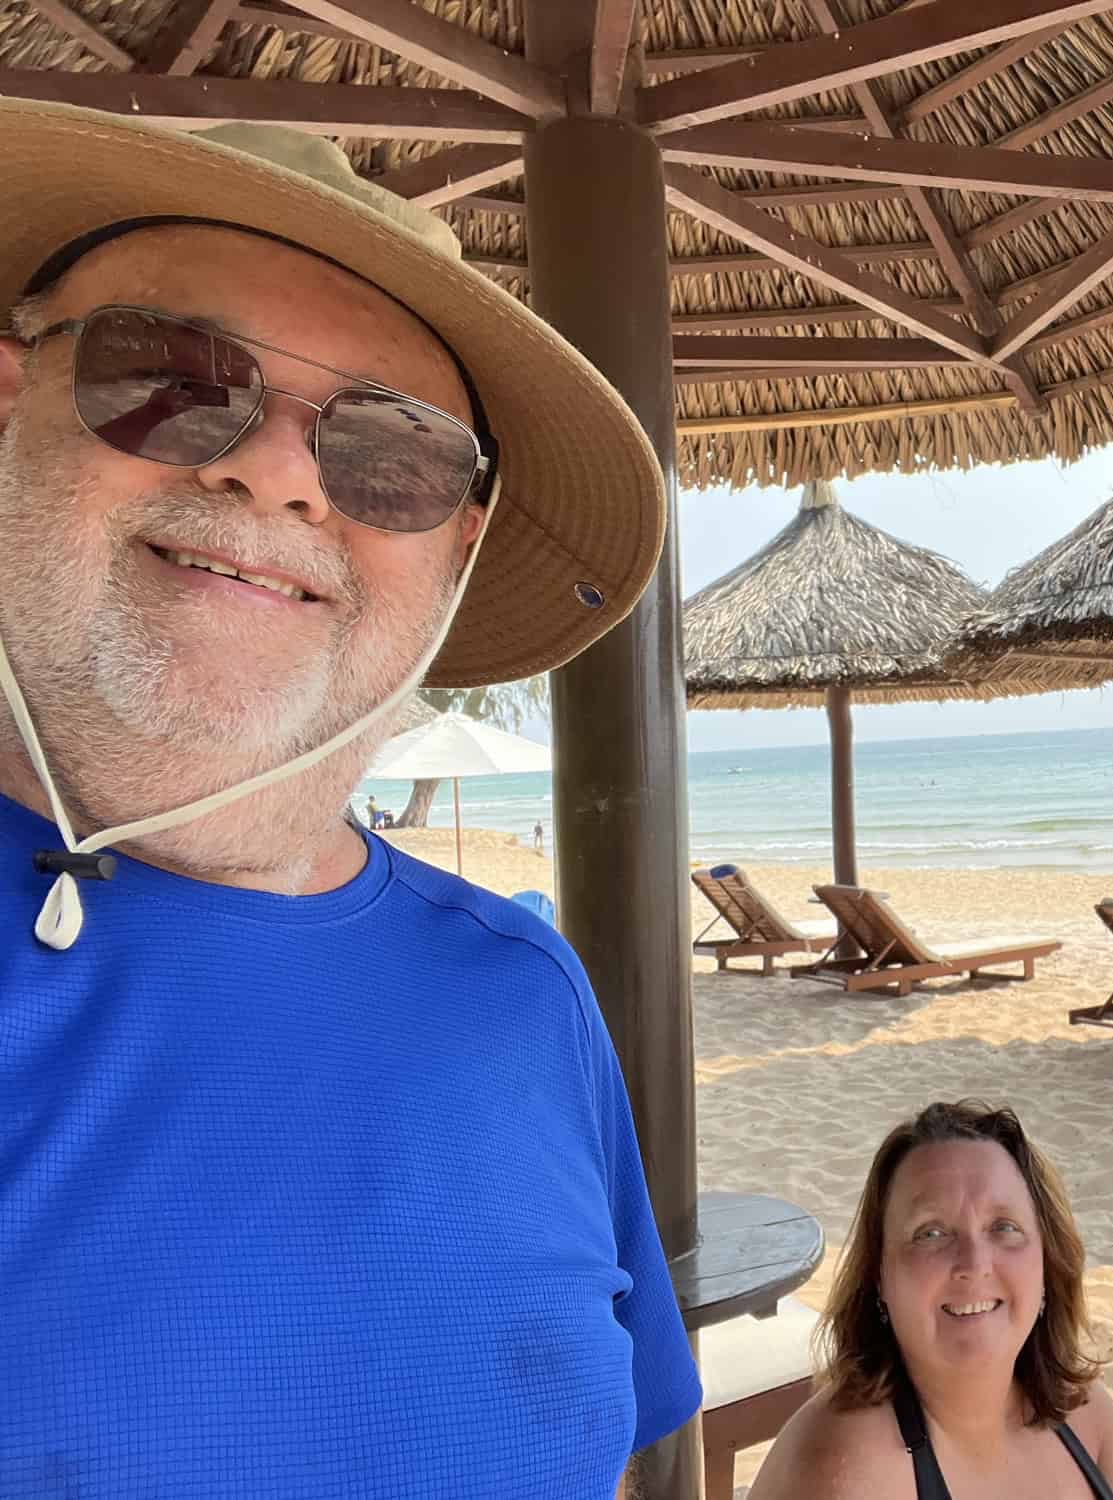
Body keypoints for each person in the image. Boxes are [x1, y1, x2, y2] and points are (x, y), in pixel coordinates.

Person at [0, 102, 695, 1497]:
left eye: (391, 454)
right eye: (172, 376)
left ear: (457, 544)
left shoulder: (527, 997)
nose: (275, 471)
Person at [750, 1101, 1113, 1499]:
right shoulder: (848, 1467)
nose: (974, 1262)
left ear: (1047, 1261)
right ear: (879, 1277)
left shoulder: (1077, 1408)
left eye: (1004, 1227)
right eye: (931, 1232)